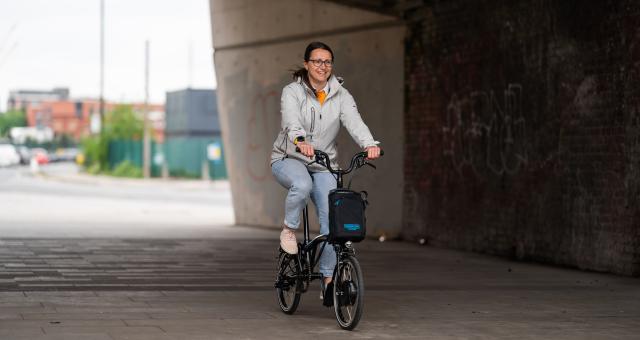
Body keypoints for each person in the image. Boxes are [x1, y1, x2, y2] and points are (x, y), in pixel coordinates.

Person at [270, 41, 381, 297]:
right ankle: (288, 230)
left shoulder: (341, 94)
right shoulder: (293, 91)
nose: (323, 66)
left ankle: (329, 281)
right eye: (317, 61)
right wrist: (300, 141)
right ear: (307, 64)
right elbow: (291, 120)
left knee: (334, 223)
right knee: (302, 184)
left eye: (327, 61)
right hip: (289, 158)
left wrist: (369, 144)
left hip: (323, 164)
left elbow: (355, 122)